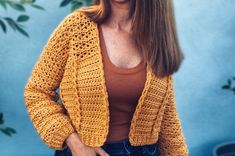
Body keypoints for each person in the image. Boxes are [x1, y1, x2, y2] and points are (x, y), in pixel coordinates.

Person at [24, 0, 189, 156]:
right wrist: (71, 139)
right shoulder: (75, 27)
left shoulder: (156, 37)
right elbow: (37, 92)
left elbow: (166, 116)